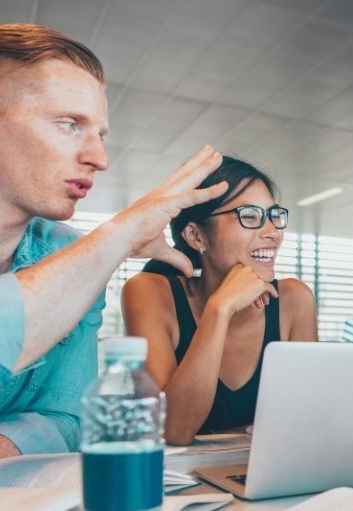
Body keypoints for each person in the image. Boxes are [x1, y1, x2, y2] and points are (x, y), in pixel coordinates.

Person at [0, 23, 227, 488]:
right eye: (69, 124)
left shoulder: (66, 251)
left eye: (100, 133)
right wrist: (120, 234)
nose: (99, 158)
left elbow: (66, 417)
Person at [121, 157, 317, 445]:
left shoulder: (294, 299)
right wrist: (220, 309)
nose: (273, 233)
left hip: (264, 473)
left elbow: (307, 421)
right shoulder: (149, 292)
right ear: (196, 235)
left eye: (274, 216)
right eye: (249, 216)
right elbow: (173, 430)